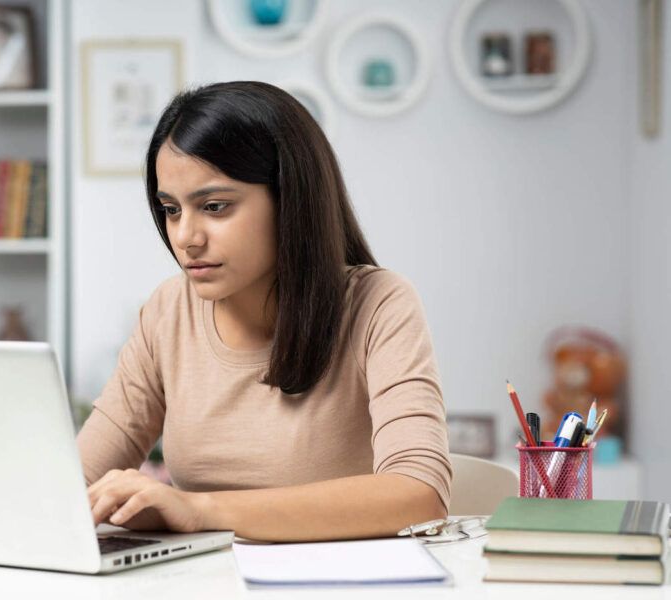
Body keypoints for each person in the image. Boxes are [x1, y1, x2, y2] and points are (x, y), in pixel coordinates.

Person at [78, 81, 451, 542]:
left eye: (215, 207)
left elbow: (419, 494)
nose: (186, 237)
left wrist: (199, 509)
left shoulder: (379, 305)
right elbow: (76, 481)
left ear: (290, 199)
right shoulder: (168, 312)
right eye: (171, 210)